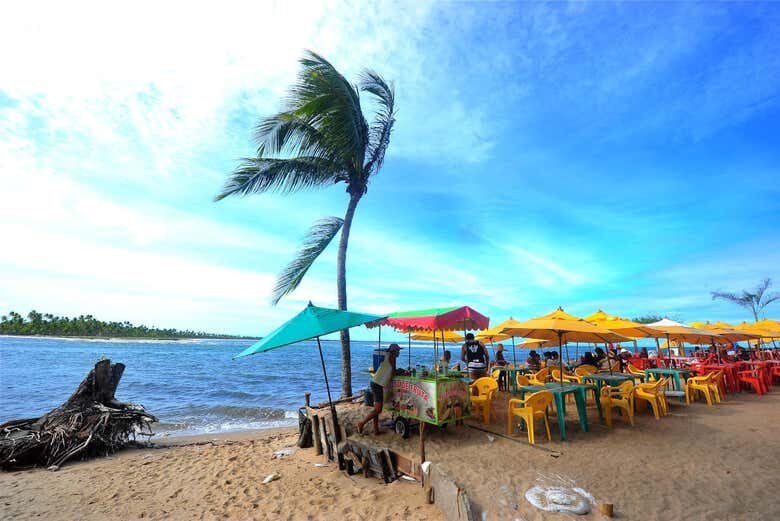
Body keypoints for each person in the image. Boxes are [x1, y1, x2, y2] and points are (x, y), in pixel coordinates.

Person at [358, 343, 401, 435]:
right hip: (377, 384)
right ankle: (361, 423)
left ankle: (376, 430)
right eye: (398, 351)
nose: (399, 353)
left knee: (376, 409)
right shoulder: (392, 358)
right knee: (378, 410)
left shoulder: (388, 356)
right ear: (394, 351)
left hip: (375, 383)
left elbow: (390, 370)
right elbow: (393, 372)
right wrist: (401, 372)